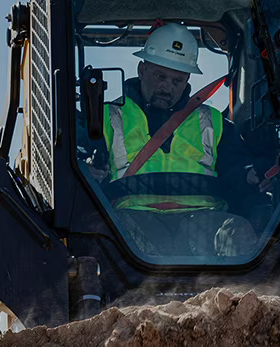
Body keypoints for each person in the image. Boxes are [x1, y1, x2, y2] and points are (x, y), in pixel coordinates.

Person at [91, 23, 267, 259]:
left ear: (186, 81)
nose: (167, 87)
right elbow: (82, 159)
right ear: (142, 70)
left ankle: (242, 296)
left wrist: (251, 173)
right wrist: (89, 170)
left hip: (204, 219)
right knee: (108, 236)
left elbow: (234, 167)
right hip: (134, 217)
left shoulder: (212, 122)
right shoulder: (105, 117)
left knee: (238, 231)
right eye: (160, 76)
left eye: (177, 80)